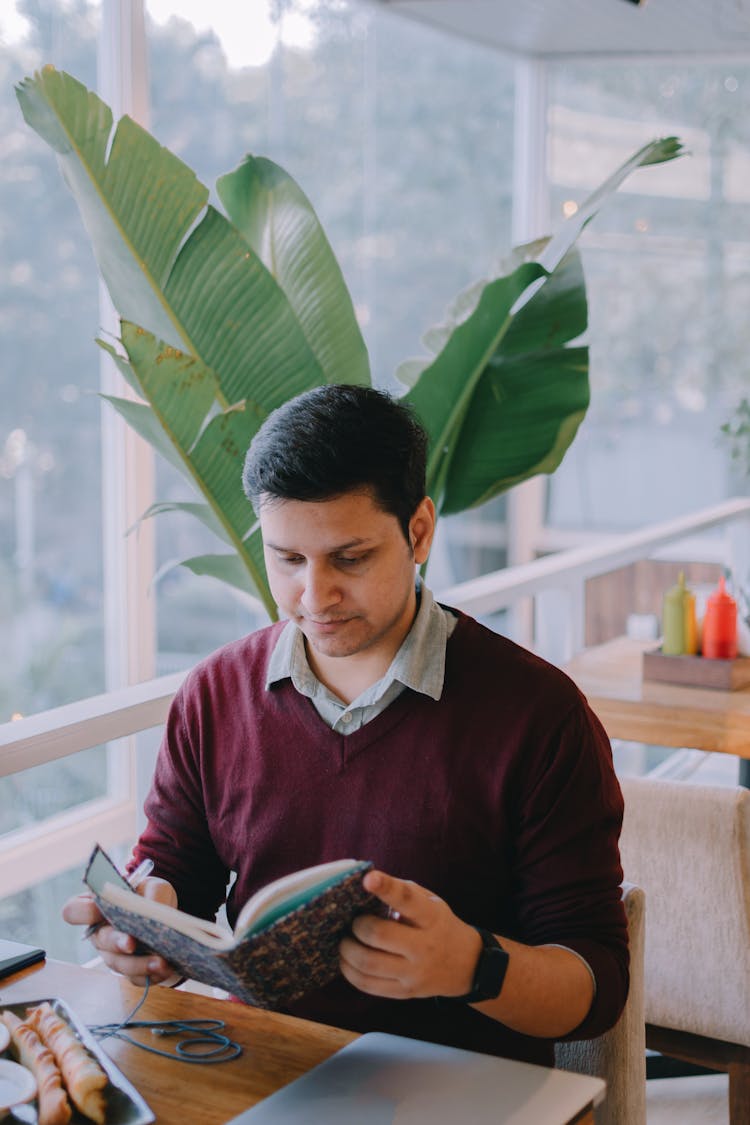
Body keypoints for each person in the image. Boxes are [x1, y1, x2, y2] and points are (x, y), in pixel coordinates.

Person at [63, 384, 628, 1066]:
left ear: (418, 531)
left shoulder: (539, 714)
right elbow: (177, 868)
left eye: (350, 558)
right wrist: (145, 924)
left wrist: (472, 964)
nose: (315, 595)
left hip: (461, 1091)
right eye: (288, 559)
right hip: (259, 1065)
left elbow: (595, 987)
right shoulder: (214, 695)